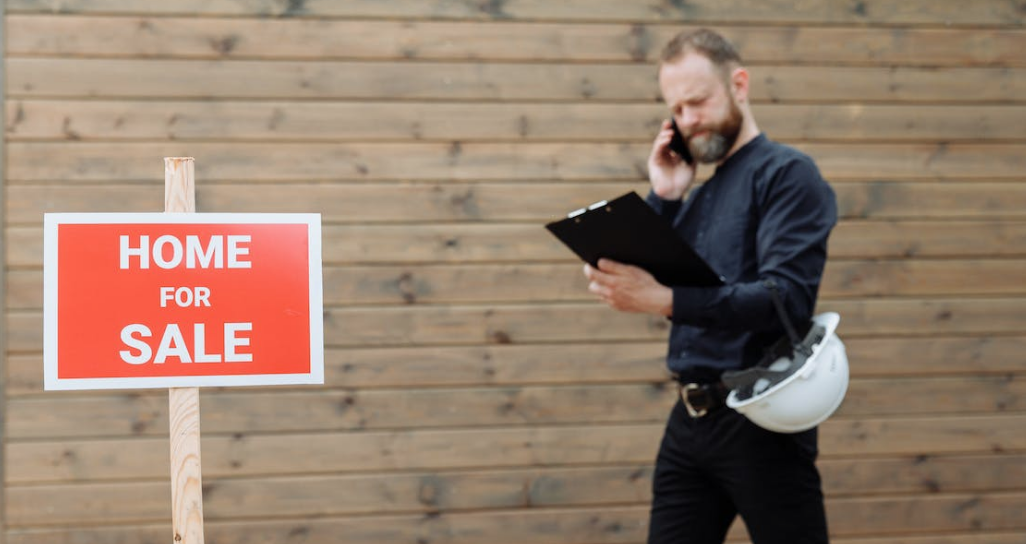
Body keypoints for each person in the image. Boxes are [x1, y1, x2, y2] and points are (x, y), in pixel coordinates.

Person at [583, 29, 837, 544]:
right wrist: (665, 197)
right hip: (691, 419)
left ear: (738, 84)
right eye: (676, 109)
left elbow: (782, 299)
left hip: (763, 417)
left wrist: (664, 301)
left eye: (698, 101)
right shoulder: (697, 195)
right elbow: (649, 273)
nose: (687, 120)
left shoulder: (787, 175)